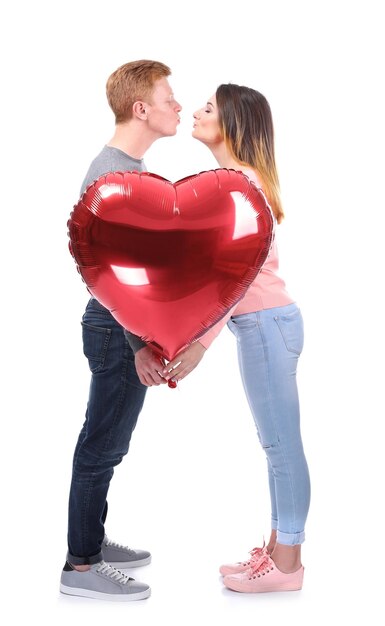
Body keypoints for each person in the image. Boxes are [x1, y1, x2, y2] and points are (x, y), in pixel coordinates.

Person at [163, 84, 311, 593]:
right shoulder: (234, 180)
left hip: (266, 322)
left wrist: (200, 343)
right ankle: (275, 551)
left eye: (209, 107)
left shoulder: (240, 184)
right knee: (275, 445)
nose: (198, 111)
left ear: (233, 123)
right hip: (262, 323)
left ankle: (288, 565)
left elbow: (236, 274)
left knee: (281, 446)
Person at [60, 60, 182, 602]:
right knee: (100, 445)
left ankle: (92, 539)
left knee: (111, 444)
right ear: (141, 109)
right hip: (115, 331)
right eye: (168, 98)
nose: (177, 106)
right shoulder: (109, 172)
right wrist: (139, 345)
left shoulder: (130, 167)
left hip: (125, 328)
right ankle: (81, 567)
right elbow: (101, 272)